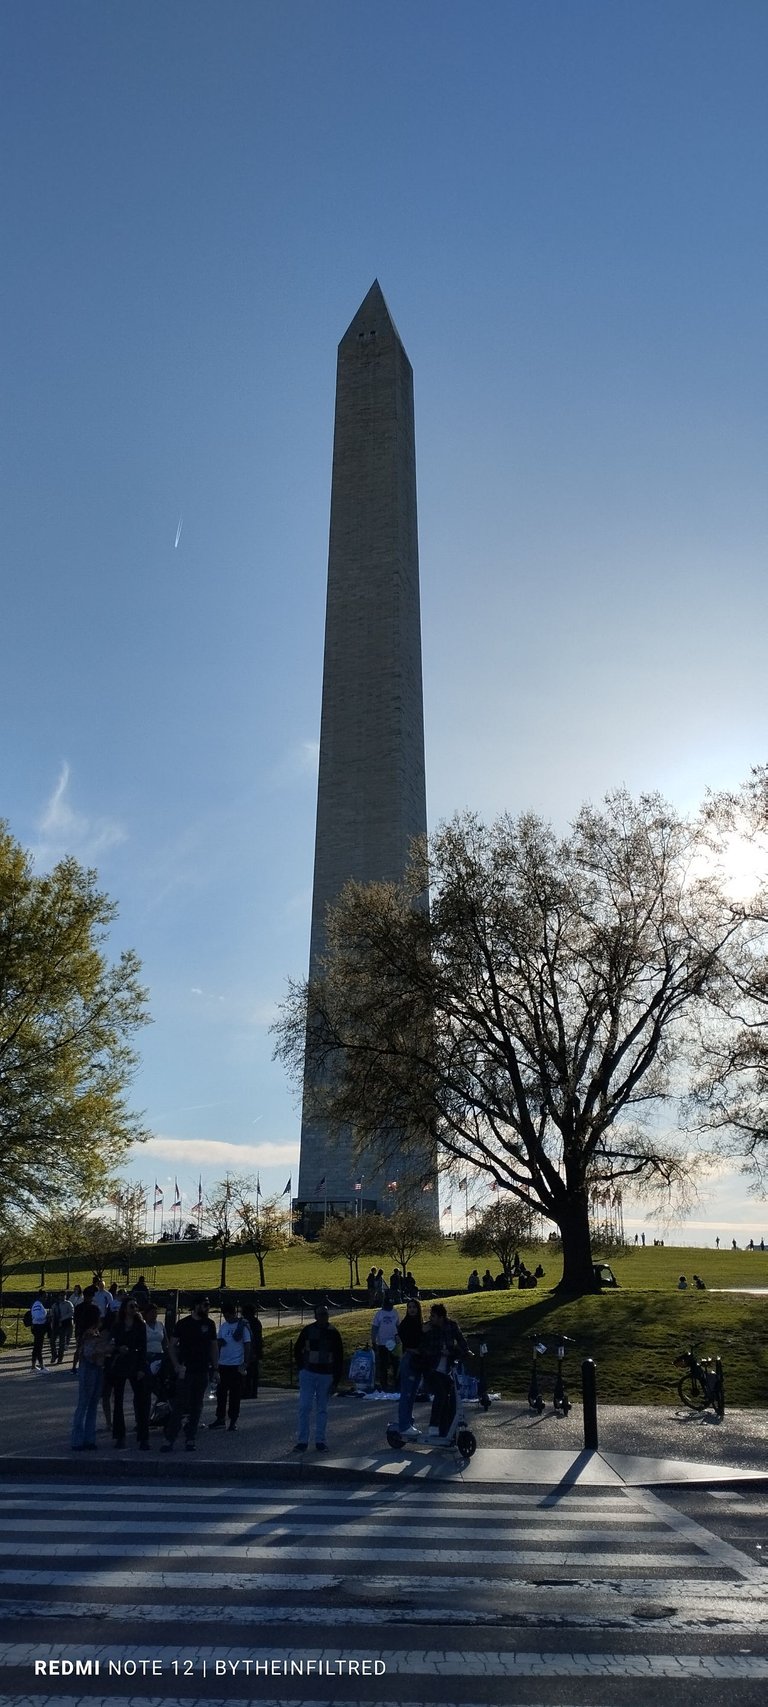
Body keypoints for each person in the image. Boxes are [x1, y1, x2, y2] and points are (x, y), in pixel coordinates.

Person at [161, 1298, 219, 1453]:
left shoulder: (210, 1325)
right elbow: (171, 1346)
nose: (207, 1308)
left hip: (202, 1370)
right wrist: (176, 1365)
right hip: (186, 1370)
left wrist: (215, 1368)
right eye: (205, 1305)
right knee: (179, 1405)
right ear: (196, 1306)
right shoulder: (183, 1324)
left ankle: (190, 1437)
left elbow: (213, 1347)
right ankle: (170, 1438)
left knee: (196, 1406)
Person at [292, 1304, 344, 1452]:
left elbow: (339, 1357)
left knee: (322, 1409)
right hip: (308, 1372)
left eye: (325, 1314)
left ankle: (320, 1440)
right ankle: (302, 1441)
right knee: (304, 1407)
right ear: (315, 1316)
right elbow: (297, 1349)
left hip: (326, 1374)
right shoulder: (308, 1330)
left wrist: (336, 1379)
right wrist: (301, 1367)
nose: (323, 1317)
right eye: (321, 1314)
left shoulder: (334, 1333)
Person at [423, 1302, 471, 1442]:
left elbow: (461, 1340)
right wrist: (440, 1352)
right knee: (441, 1395)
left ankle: (446, 1429)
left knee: (451, 1399)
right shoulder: (429, 1328)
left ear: (441, 1317)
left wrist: (465, 1351)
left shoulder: (452, 1326)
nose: (430, 1318)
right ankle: (433, 1426)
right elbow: (424, 1348)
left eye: (433, 1316)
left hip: (447, 1369)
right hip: (432, 1369)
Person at [111, 1298, 150, 1450]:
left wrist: (141, 1368)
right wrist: (118, 1349)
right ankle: (120, 1436)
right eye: (131, 1306)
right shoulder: (118, 1325)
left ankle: (143, 1436)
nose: (134, 1308)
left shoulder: (140, 1325)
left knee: (141, 1402)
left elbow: (143, 1347)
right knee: (118, 1402)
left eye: (136, 1306)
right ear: (124, 1309)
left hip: (135, 1362)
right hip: (121, 1363)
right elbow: (113, 1343)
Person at [70, 1305, 112, 1450]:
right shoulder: (89, 1334)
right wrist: (106, 1348)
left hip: (95, 1367)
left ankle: (88, 1438)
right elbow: (89, 1353)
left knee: (91, 1403)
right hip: (90, 1367)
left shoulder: (93, 1332)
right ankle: (79, 1439)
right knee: (85, 1403)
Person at [209, 1299, 251, 1431]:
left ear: (233, 1314)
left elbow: (247, 1344)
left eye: (228, 1315)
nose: (227, 1318)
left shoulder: (242, 1326)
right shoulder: (224, 1326)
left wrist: (245, 1362)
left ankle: (233, 1419)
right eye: (225, 1316)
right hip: (223, 1363)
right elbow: (218, 1343)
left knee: (235, 1395)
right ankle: (220, 1417)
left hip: (236, 1364)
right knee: (221, 1393)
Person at [395, 1297, 425, 1438]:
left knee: (413, 1394)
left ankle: (409, 1422)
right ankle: (404, 1424)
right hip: (409, 1359)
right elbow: (406, 1345)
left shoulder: (420, 1324)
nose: (412, 1309)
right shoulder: (405, 1324)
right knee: (406, 1393)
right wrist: (417, 1350)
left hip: (418, 1361)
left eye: (414, 1307)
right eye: (410, 1307)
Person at [371, 1299, 400, 1392]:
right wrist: (373, 1340)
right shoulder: (379, 1314)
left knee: (395, 1364)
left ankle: (397, 1384)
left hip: (394, 1343)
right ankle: (384, 1384)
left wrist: (399, 1339)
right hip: (382, 1343)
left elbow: (398, 1326)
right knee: (383, 1365)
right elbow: (374, 1327)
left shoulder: (395, 1312)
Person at [240, 1305, 264, 1398]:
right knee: (253, 1372)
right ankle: (253, 1392)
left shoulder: (246, 1322)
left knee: (247, 1372)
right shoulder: (256, 1322)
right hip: (255, 1349)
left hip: (250, 1349)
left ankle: (247, 1391)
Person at [29, 1293, 49, 1372]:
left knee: (36, 1347)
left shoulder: (39, 1304)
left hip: (39, 1327)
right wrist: (46, 1316)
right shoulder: (37, 1305)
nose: (45, 1299)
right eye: (44, 1297)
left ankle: (33, 1366)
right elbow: (37, 1316)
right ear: (40, 1296)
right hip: (38, 1327)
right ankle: (41, 1366)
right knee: (38, 1347)